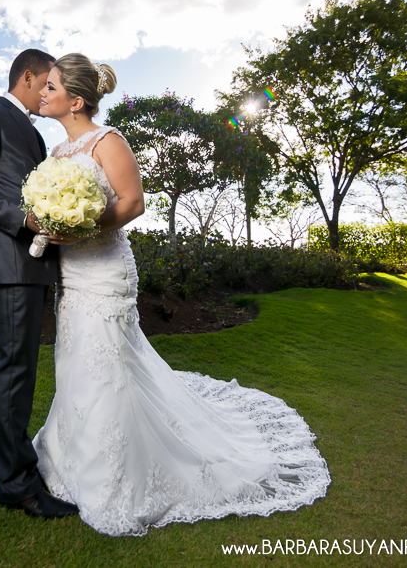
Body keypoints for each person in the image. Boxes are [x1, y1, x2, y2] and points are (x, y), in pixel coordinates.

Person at [32, 53, 331, 536]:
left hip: (105, 270)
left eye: (50, 88)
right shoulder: (57, 156)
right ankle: (71, 460)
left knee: (106, 363)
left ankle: (115, 478)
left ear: (76, 99)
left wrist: (85, 225)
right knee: (76, 360)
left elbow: (133, 202)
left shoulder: (109, 141)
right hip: (72, 274)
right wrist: (52, 228)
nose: (42, 94)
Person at [0, 49, 80, 519]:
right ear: (26, 76)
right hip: (11, 260)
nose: (48, 92)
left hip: (30, 262)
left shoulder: (31, 131)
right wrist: (24, 218)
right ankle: (17, 485)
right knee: (13, 370)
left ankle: (3, 464)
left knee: (8, 366)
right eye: (46, 83)